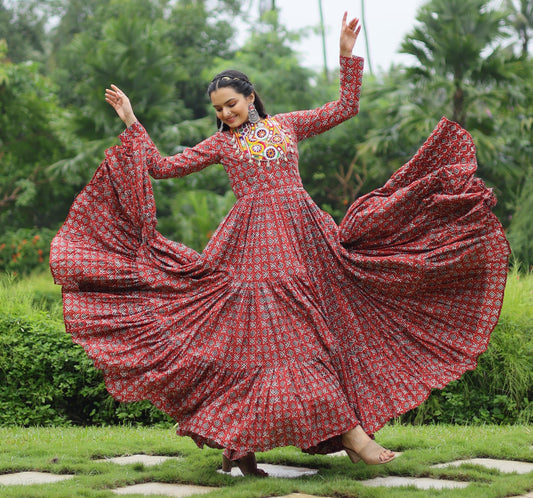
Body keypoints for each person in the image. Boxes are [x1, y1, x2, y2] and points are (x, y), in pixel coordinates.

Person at [50, 11, 510, 477]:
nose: (226, 114)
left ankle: (243, 445)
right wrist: (130, 120)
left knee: (308, 330)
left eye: (231, 104)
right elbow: (161, 166)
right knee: (274, 334)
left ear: (251, 96)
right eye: (218, 110)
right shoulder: (221, 145)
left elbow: (344, 108)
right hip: (252, 244)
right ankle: (346, 439)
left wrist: (346, 56)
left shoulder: (286, 125)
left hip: (304, 235)